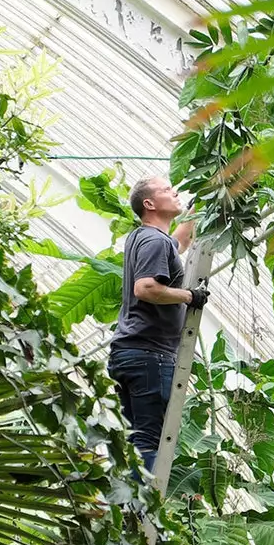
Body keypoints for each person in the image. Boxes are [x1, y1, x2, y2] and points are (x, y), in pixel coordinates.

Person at [107, 176, 207, 477]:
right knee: (150, 440)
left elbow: (180, 242)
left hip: (130, 353)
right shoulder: (154, 241)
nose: (174, 192)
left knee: (131, 439)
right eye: (167, 190)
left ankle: (124, 509)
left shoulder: (145, 237)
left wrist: (197, 208)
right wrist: (190, 296)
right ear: (149, 204)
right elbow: (146, 288)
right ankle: (143, 515)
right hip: (149, 355)